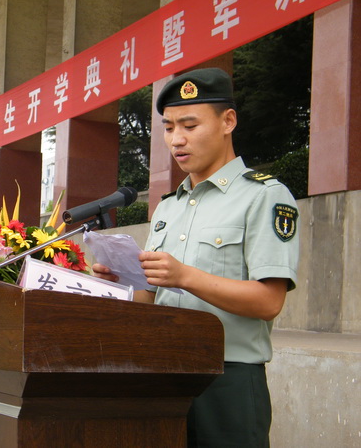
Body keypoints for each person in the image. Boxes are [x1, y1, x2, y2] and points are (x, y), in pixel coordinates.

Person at [93, 68, 299, 447]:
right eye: (169, 127)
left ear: (228, 122)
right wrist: (120, 284)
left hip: (227, 381)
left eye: (189, 125)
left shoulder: (264, 196)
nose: (177, 139)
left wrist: (185, 276)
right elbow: (151, 299)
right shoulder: (169, 207)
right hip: (161, 373)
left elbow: (269, 301)